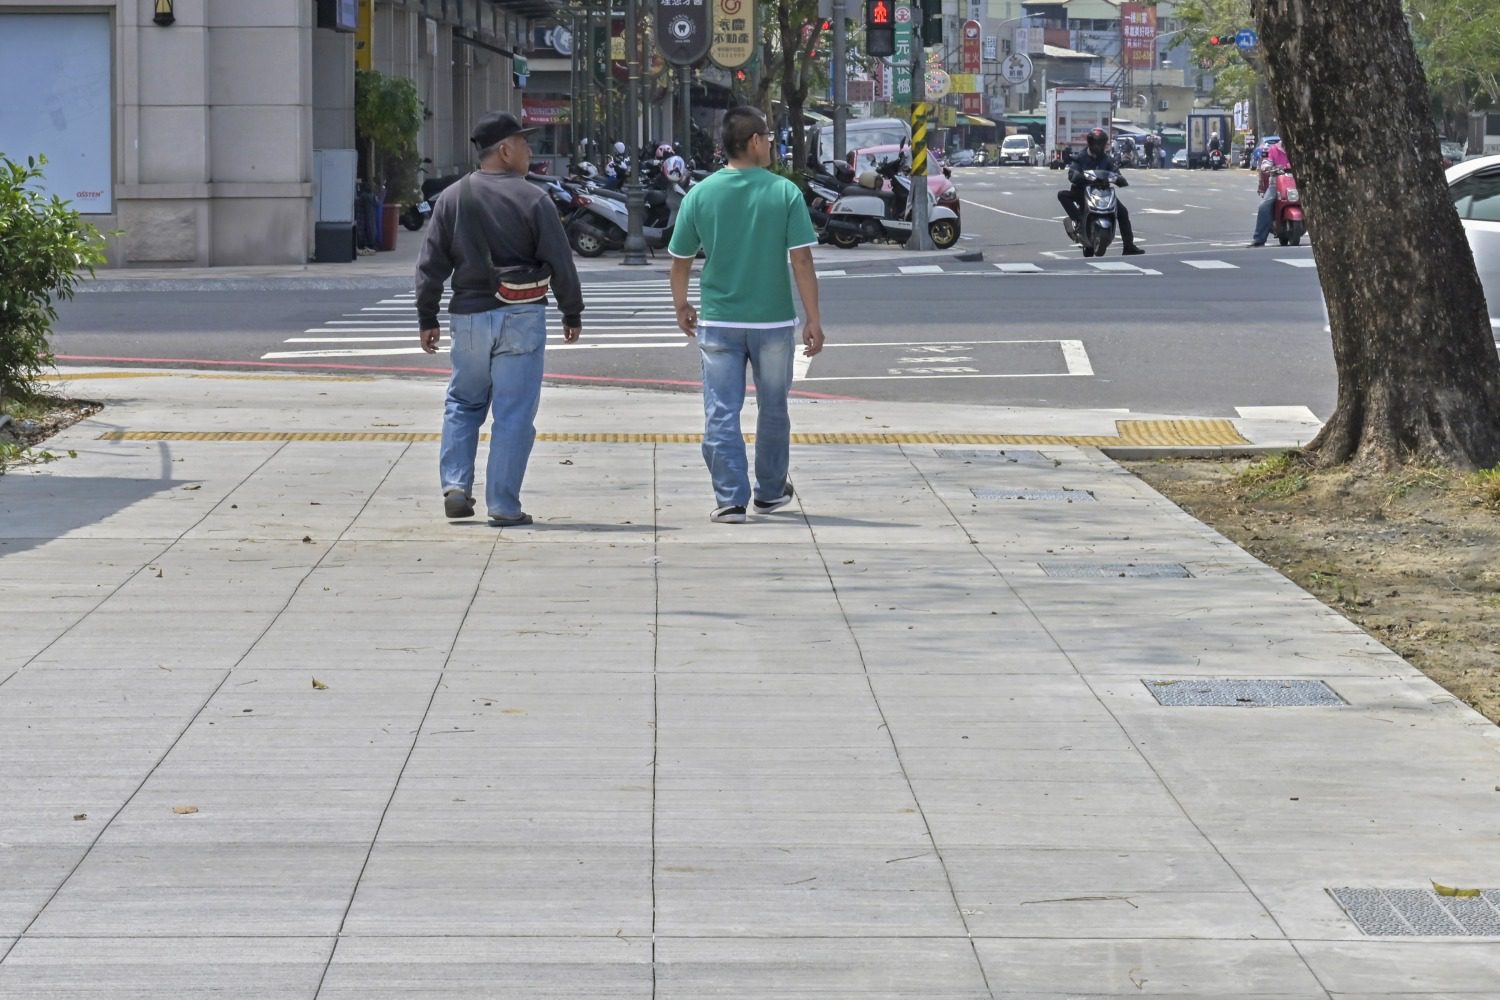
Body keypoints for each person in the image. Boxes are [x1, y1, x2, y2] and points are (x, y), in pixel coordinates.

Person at [415, 111, 584, 527]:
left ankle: (455, 486)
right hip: (522, 314)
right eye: (524, 143)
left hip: (469, 317)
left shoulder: (453, 197)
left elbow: (430, 263)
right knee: (513, 412)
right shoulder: (534, 199)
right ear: (505, 150)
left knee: (463, 401)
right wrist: (571, 310)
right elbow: (561, 260)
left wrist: (427, 316)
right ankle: (504, 506)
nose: (530, 151)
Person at [668, 105, 825, 524]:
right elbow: (802, 262)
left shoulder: (700, 194)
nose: (772, 144)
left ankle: (730, 498)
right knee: (773, 407)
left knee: (721, 408)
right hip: (772, 322)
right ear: (754, 141)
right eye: (769, 137)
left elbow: (680, 260)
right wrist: (813, 318)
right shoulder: (784, 193)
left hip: (718, 321)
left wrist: (682, 305)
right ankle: (770, 491)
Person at [1057, 127, 1145, 256]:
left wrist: (1119, 179)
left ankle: (1128, 246)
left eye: (1101, 143)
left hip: (1103, 192)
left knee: (1123, 212)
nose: (1098, 146)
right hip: (1082, 191)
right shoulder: (1081, 157)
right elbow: (1073, 171)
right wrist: (1076, 175)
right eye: (1096, 143)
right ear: (1090, 143)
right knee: (1062, 195)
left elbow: (1116, 171)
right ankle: (1079, 220)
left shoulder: (1106, 159)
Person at [1250, 138, 1292, 247]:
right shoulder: (1274, 150)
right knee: (1264, 206)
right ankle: (1259, 238)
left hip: (1295, 184)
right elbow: (1266, 163)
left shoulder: (1299, 148)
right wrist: (1269, 167)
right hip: (1277, 184)